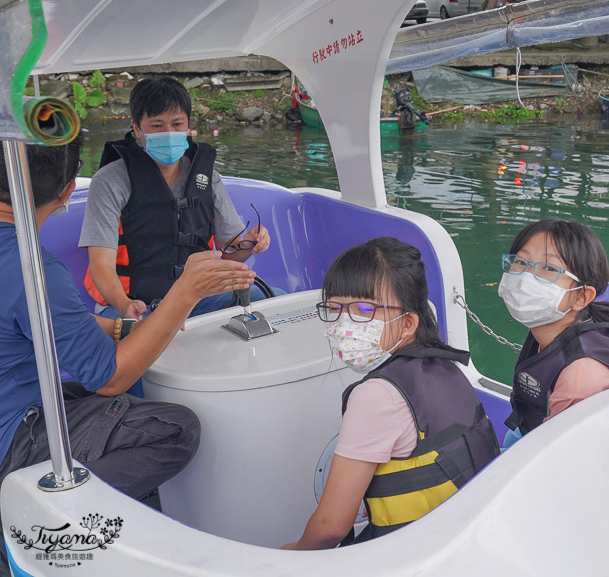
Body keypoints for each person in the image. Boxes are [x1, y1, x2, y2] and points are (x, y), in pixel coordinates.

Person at [0, 138, 257, 503]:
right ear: (67, 193)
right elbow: (110, 378)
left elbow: (33, 317)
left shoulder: (24, 269)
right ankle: (34, 510)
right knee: (174, 429)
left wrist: (124, 328)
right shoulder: (31, 268)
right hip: (12, 438)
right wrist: (185, 292)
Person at [283, 237, 499, 550]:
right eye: (334, 308)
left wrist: (286, 558)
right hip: (465, 541)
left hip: (411, 556)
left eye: (364, 309)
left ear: (408, 322)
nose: (345, 323)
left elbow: (330, 528)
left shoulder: (377, 395)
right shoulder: (444, 363)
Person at [80, 76, 272, 320]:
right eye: (157, 126)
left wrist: (250, 244)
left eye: (177, 124)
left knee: (272, 299)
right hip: (138, 306)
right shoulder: (109, 181)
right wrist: (124, 304)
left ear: (188, 126)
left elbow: (230, 253)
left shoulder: (207, 178)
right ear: (137, 128)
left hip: (199, 300)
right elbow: (101, 265)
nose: (168, 133)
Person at [498, 218, 609, 445]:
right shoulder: (552, 324)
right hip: (534, 429)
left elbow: (561, 457)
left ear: (581, 297)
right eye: (520, 262)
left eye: (548, 268)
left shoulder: (581, 377)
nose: (526, 277)